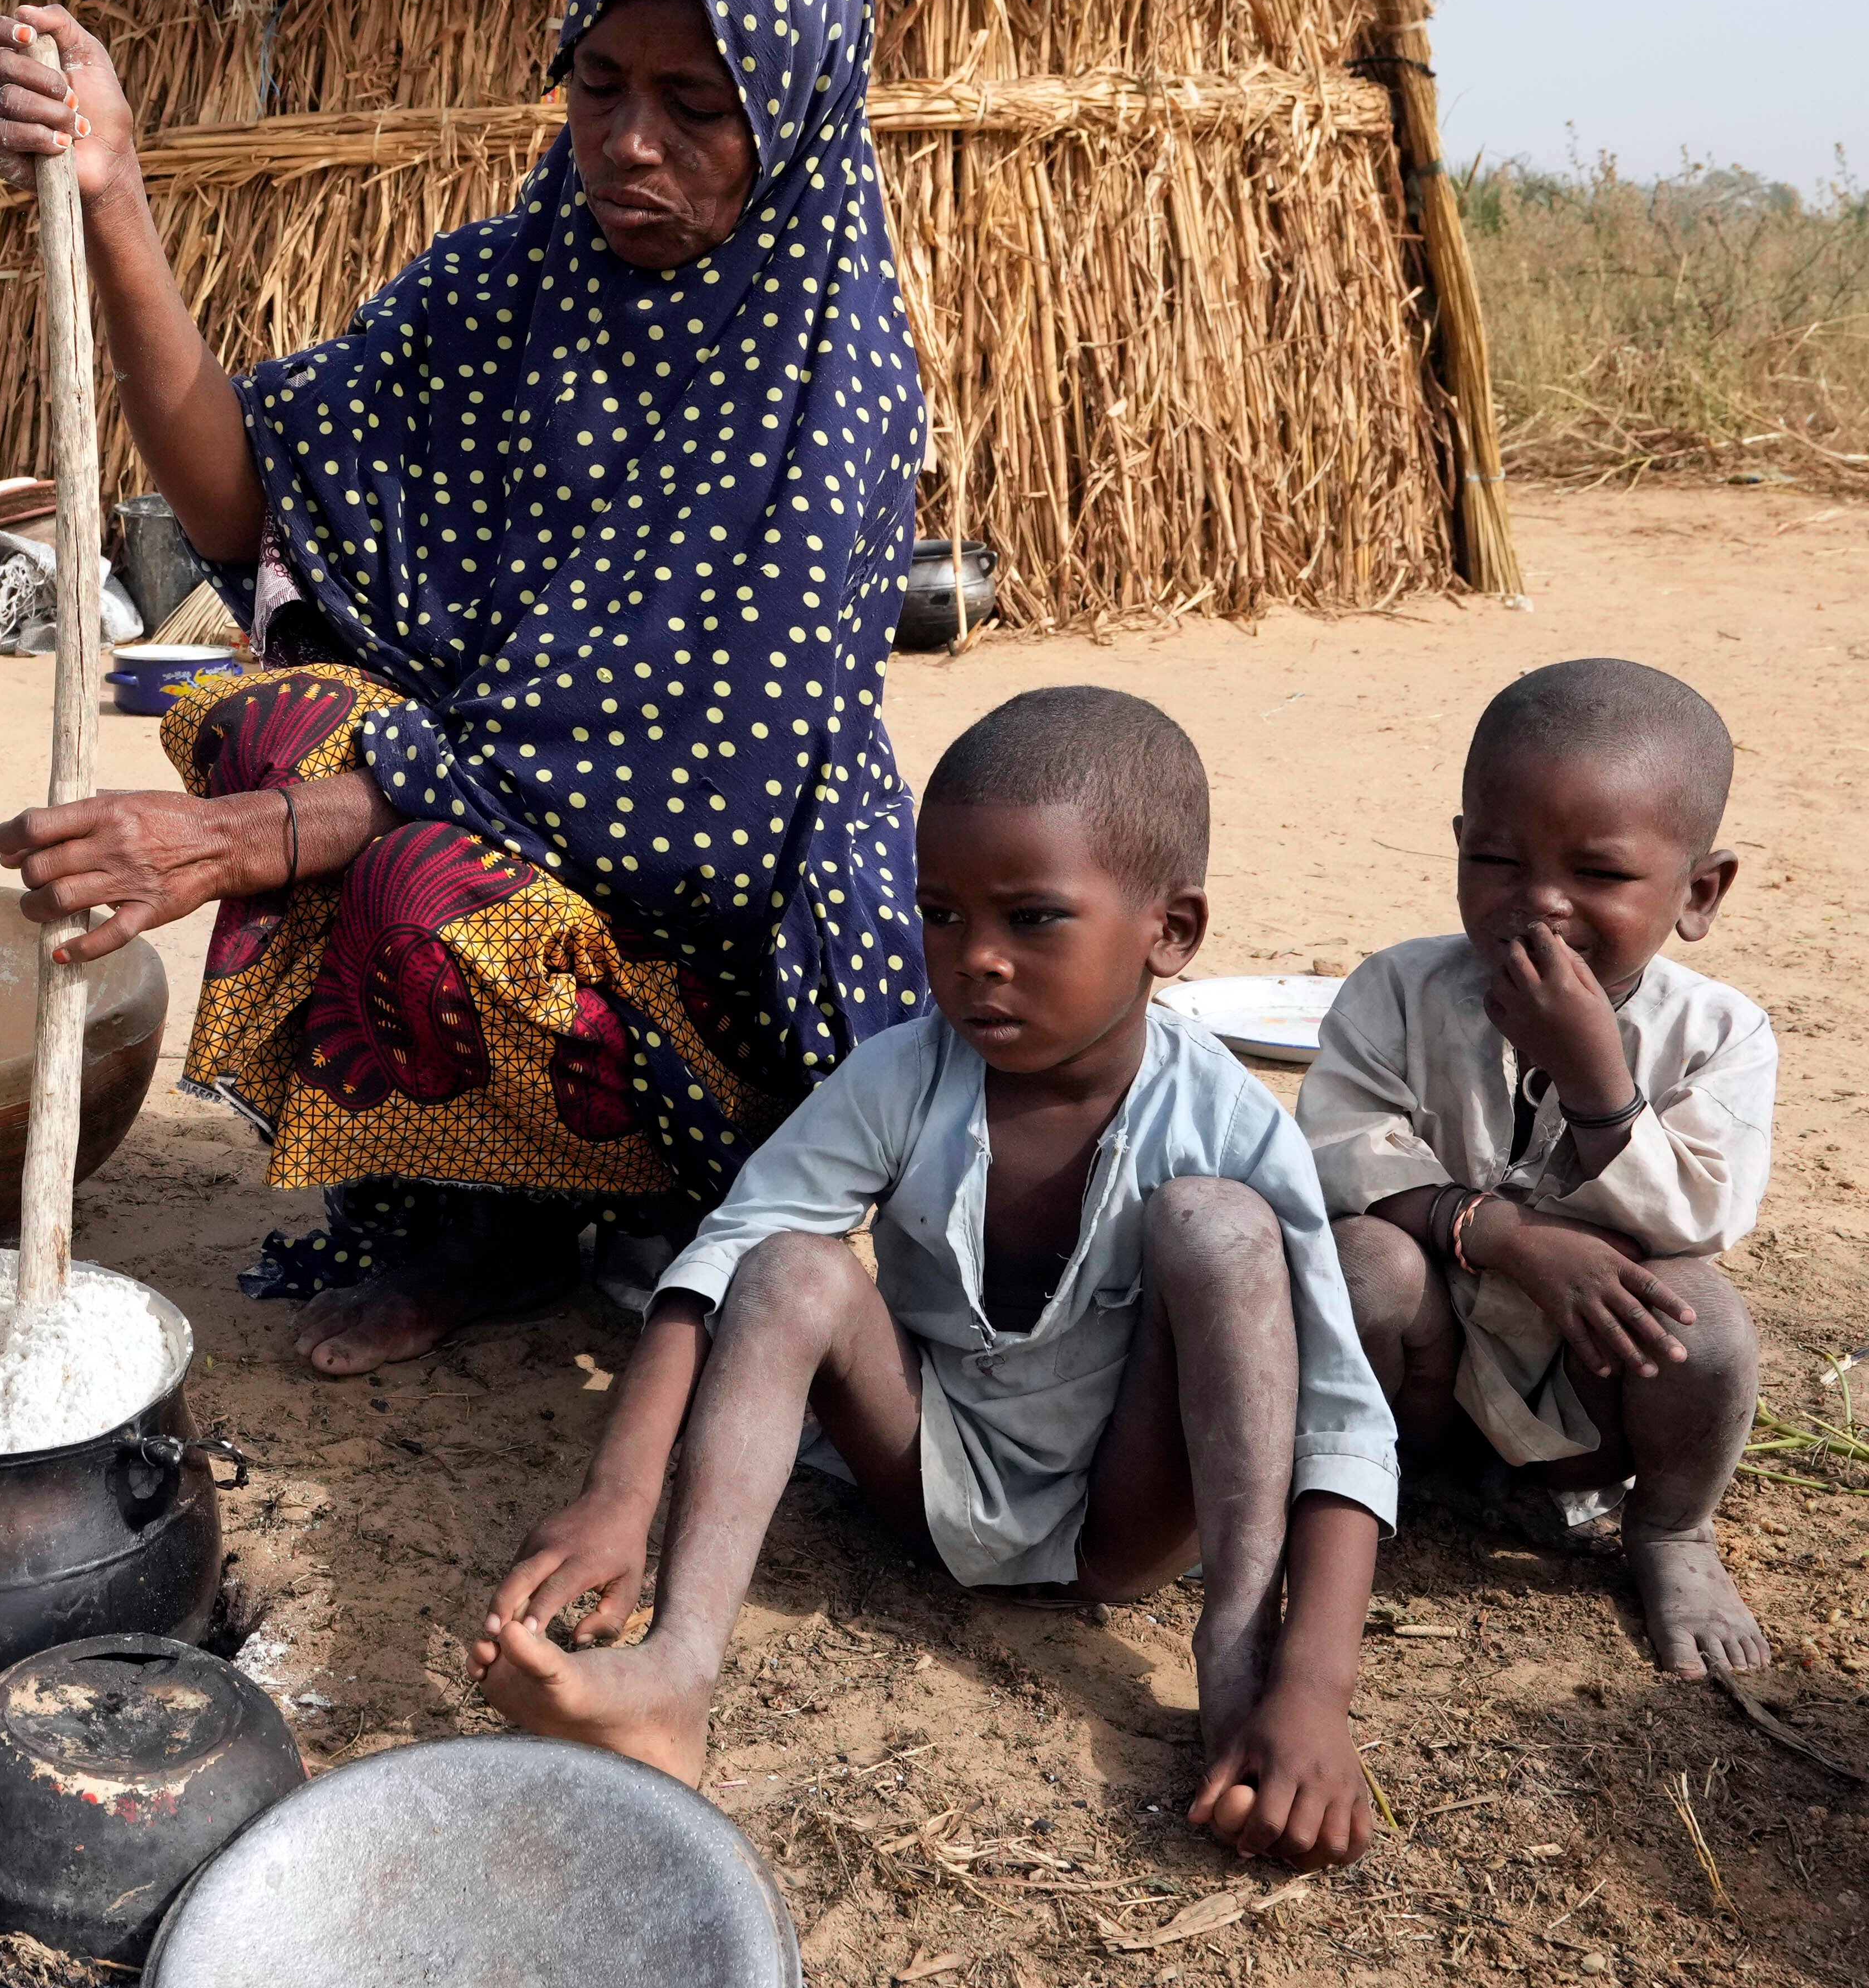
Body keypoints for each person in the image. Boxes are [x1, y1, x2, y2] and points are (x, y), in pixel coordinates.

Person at [0, 0, 929, 1378]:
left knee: (414, 890)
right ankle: (477, 1193)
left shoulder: (827, 387)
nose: (629, 142)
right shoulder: (505, 289)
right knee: (269, 721)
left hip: (714, 936)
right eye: (600, 85)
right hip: (496, 810)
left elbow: (699, 807)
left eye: (696, 106)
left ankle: (603, 1206)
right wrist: (117, 197)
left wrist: (239, 844)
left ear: (796, 114)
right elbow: (243, 502)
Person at [470, 690, 1395, 1867]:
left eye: (1035, 917)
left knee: (1219, 1230)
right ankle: (674, 1676)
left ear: (1172, 932)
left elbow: (1339, 1416)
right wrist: (619, 1494)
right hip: (929, 1482)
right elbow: (723, 1255)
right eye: (942, 914)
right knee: (790, 1268)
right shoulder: (903, 1073)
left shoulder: (1221, 1117)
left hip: (1132, 1520)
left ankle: (1238, 1681)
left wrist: (1316, 1686)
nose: (978, 961)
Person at [1310, 658, 1774, 1677]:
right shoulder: (1397, 991)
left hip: (1592, 1404)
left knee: (1706, 1329)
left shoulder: (1716, 1033)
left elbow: (1704, 1215)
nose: (1541, 905)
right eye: (1498, 861)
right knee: (1359, 1264)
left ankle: (1668, 1531)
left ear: (1701, 892)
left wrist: (1596, 1076)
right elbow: (1337, 1153)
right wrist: (1506, 1238)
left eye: (1600, 875)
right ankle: (1359, 1480)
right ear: (1459, 847)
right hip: (1425, 1383)